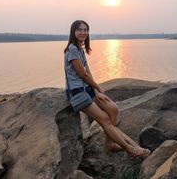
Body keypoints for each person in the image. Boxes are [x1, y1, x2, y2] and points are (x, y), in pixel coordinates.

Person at [64, 20, 150, 157]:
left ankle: (109, 144)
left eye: (85, 29)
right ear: (73, 32)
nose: (83, 32)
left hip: (88, 90)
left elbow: (88, 71)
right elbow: (83, 75)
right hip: (78, 93)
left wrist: (97, 91)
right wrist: (98, 87)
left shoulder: (80, 49)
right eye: (79, 29)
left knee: (113, 109)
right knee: (104, 119)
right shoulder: (72, 50)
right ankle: (130, 150)